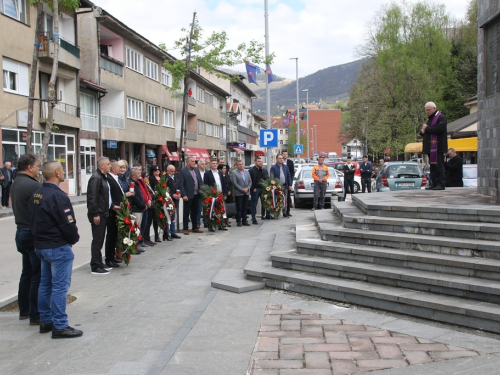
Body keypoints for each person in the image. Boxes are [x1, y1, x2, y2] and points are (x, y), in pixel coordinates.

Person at [29, 161, 82, 338]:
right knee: (59, 287)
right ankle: (59, 325)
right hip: (57, 246)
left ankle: (46, 321)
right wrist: (73, 238)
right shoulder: (58, 196)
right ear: (57, 174)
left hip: (41, 246)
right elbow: (67, 223)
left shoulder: (38, 193)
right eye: (62, 170)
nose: (64, 172)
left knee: (45, 284)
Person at [11, 154, 41, 324]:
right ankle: (35, 314)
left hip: (21, 231)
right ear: (29, 167)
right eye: (37, 166)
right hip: (31, 233)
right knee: (37, 275)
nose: (38, 169)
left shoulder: (16, 183)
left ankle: (25, 310)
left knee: (27, 273)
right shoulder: (32, 186)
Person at [87, 157, 114, 275]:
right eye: (108, 164)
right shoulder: (96, 178)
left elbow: (105, 196)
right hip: (98, 214)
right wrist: (95, 213)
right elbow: (92, 197)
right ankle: (95, 265)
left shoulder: (103, 177)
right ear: (101, 166)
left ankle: (99, 261)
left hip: (104, 212)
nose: (110, 166)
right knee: (97, 239)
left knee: (101, 238)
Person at [105, 160, 133, 267]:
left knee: (115, 235)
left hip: (119, 210)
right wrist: (113, 206)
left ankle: (112, 257)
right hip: (113, 211)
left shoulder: (116, 178)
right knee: (111, 236)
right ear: (113, 168)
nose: (120, 168)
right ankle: (109, 258)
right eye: (118, 167)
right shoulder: (109, 178)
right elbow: (109, 195)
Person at [421, 101, 447, 190]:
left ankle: (440, 183)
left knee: (439, 166)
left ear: (434, 108)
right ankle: (434, 183)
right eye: (426, 110)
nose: (427, 112)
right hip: (430, 147)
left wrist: (427, 128)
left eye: (428, 110)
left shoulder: (440, 117)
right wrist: (422, 131)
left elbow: (440, 129)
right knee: (432, 166)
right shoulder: (429, 119)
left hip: (438, 147)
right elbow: (426, 131)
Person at [178, 156, 204, 235]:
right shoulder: (183, 171)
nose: (194, 163)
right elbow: (181, 184)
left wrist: (202, 191)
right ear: (188, 162)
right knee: (186, 212)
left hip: (197, 194)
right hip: (188, 195)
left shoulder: (196, 170)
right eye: (192, 161)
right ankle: (185, 228)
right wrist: (184, 195)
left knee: (195, 212)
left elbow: (199, 180)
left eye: (194, 161)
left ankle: (195, 227)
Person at [204, 158, 228, 231]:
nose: (214, 165)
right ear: (210, 165)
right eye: (213, 163)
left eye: (215, 163)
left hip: (220, 194)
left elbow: (223, 183)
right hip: (212, 194)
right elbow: (206, 185)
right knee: (211, 210)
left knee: (221, 209)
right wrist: (208, 194)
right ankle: (210, 225)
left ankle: (220, 225)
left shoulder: (220, 173)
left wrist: (225, 193)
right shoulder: (207, 173)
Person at [128, 167, 147, 251]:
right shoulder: (132, 183)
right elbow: (134, 197)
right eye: (138, 173)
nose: (140, 175)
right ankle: (135, 245)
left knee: (138, 227)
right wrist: (142, 205)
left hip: (139, 208)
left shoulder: (137, 183)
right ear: (133, 175)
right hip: (136, 209)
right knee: (136, 227)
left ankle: (137, 244)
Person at [136, 166, 154, 247]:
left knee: (145, 224)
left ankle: (142, 240)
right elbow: (138, 195)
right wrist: (144, 203)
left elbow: (146, 191)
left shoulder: (141, 180)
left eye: (141, 170)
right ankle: (138, 242)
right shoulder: (136, 181)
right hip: (141, 206)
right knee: (140, 225)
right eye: (139, 170)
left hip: (146, 204)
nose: (140, 172)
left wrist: (149, 199)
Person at [231, 159, 252, 227]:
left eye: (242, 164)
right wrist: (242, 189)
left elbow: (250, 181)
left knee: (245, 207)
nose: (241, 166)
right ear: (237, 165)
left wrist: (247, 188)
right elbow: (234, 183)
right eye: (239, 164)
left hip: (246, 192)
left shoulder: (246, 172)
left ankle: (244, 220)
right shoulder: (234, 173)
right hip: (239, 193)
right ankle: (238, 221)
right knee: (239, 208)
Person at [249, 157, 269, 223]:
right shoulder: (251, 170)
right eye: (259, 161)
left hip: (263, 189)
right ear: (255, 162)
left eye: (261, 161)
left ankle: (263, 215)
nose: (260, 162)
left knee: (264, 203)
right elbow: (249, 181)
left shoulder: (264, 170)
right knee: (254, 204)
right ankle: (253, 218)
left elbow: (267, 180)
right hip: (255, 189)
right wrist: (252, 188)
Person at [166, 164, 182, 239]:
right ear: (167, 171)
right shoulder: (165, 178)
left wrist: (179, 194)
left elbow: (179, 186)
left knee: (174, 217)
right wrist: (172, 195)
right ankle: (167, 233)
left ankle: (173, 232)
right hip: (168, 201)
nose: (173, 172)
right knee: (168, 217)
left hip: (175, 200)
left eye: (174, 171)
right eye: (171, 171)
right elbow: (165, 190)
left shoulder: (175, 177)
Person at [141, 171, 157, 247]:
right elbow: (148, 195)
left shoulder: (147, 184)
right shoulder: (143, 185)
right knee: (146, 224)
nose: (147, 178)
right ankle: (145, 239)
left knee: (148, 223)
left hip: (152, 205)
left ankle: (147, 238)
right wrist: (154, 195)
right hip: (148, 206)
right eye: (146, 176)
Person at [148, 165, 162, 242]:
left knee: (159, 218)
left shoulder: (161, 178)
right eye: (155, 170)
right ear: (152, 171)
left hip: (161, 200)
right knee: (154, 219)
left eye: (158, 169)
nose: (157, 171)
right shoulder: (151, 178)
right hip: (155, 200)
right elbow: (151, 189)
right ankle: (155, 235)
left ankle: (159, 235)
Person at [282, 151, 295, 217]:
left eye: (286, 154)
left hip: (288, 183)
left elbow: (292, 173)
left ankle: (288, 211)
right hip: (281, 184)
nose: (284, 155)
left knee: (288, 197)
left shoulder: (290, 162)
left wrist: (290, 183)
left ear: (287, 155)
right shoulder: (280, 162)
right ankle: (282, 212)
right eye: (283, 154)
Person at [197, 159, 207, 229]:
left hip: (206, 192)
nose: (204, 166)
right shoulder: (196, 172)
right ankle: (198, 223)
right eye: (202, 164)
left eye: (204, 164)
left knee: (206, 208)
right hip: (198, 192)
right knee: (198, 208)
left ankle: (206, 222)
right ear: (199, 165)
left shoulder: (207, 172)